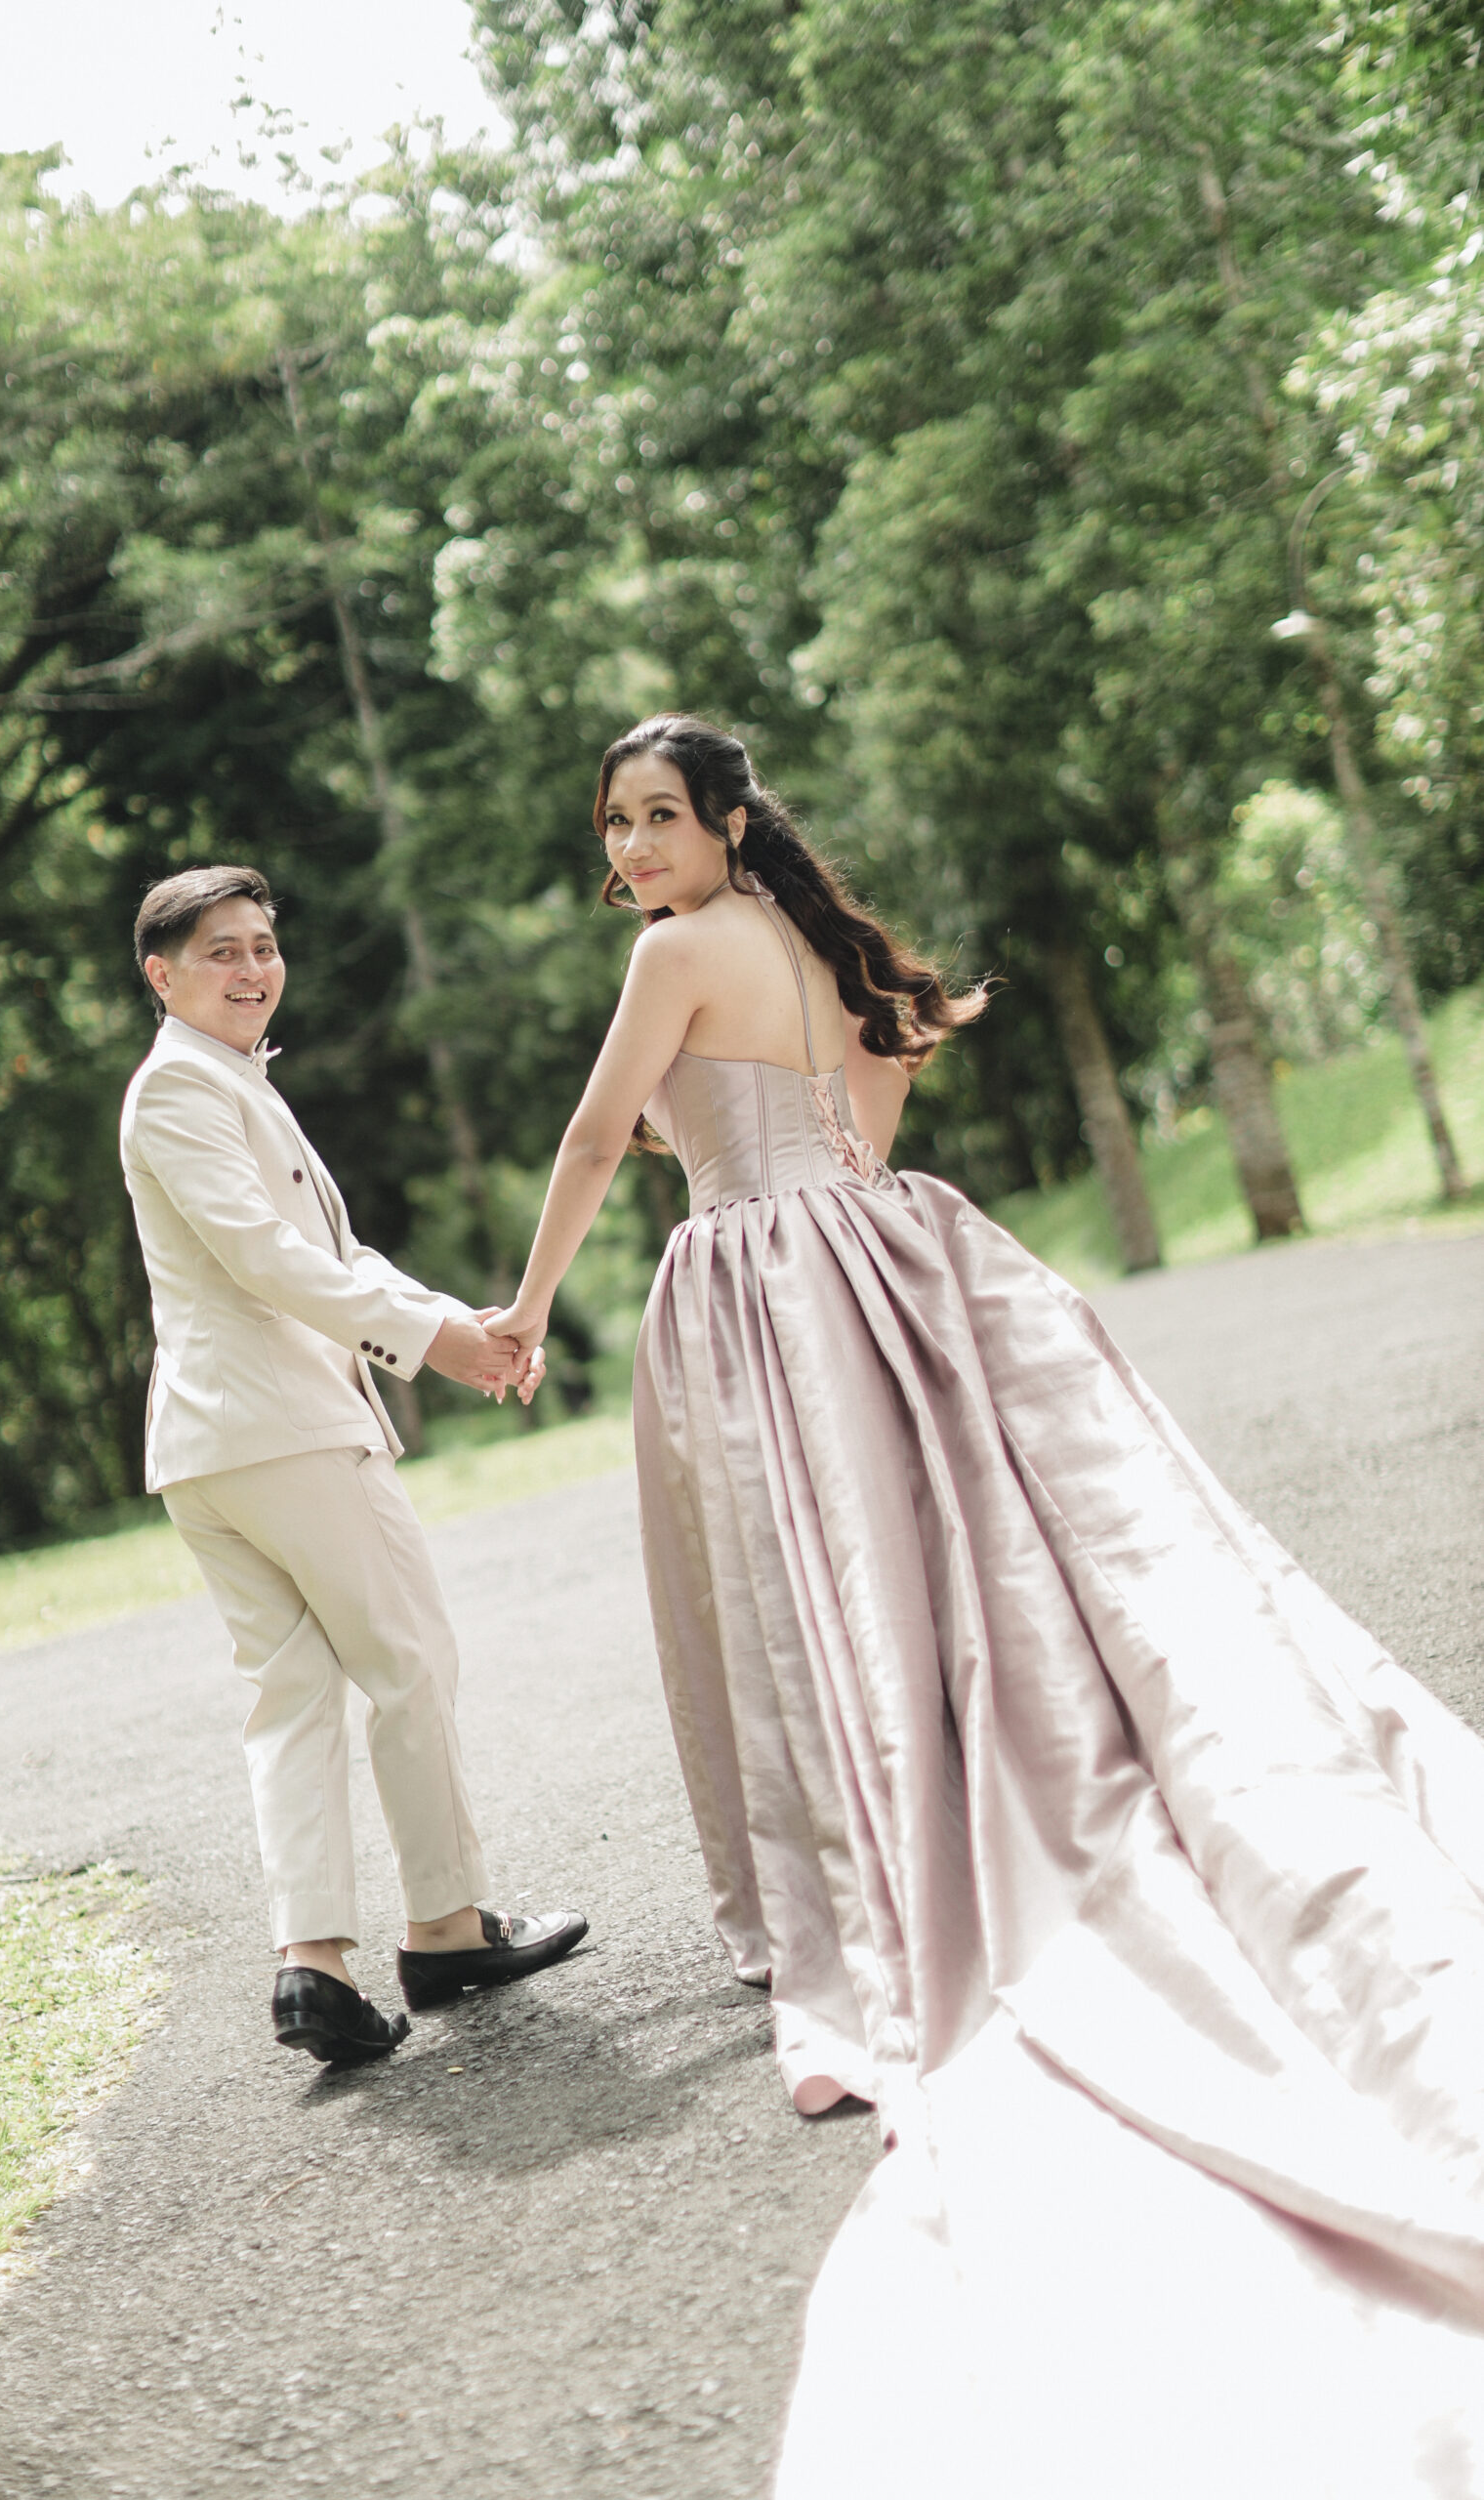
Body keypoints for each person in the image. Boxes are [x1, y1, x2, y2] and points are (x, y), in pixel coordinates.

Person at [488, 715, 1484, 2492]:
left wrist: (521, 1309)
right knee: (942, 1572)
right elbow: (852, 1130)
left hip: (759, 1285)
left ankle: (882, 1860)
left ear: (726, 823)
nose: (632, 851)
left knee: (814, 1591)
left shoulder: (674, 954)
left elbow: (583, 1138)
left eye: (657, 818)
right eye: (614, 826)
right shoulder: (823, 950)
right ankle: (964, 1814)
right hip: (878, 1252)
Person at [119, 865, 586, 2067]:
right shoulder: (179, 1087)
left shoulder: (228, 1082)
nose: (253, 968)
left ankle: (314, 1966)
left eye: (264, 945)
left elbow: (334, 1251)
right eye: (221, 951)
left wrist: (459, 1326)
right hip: (281, 1430)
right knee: (409, 1658)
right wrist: (434, 1343)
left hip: (218, 1444)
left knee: (292, 1695)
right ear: (161, 975)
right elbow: (268, 1262)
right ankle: (446, 1927)